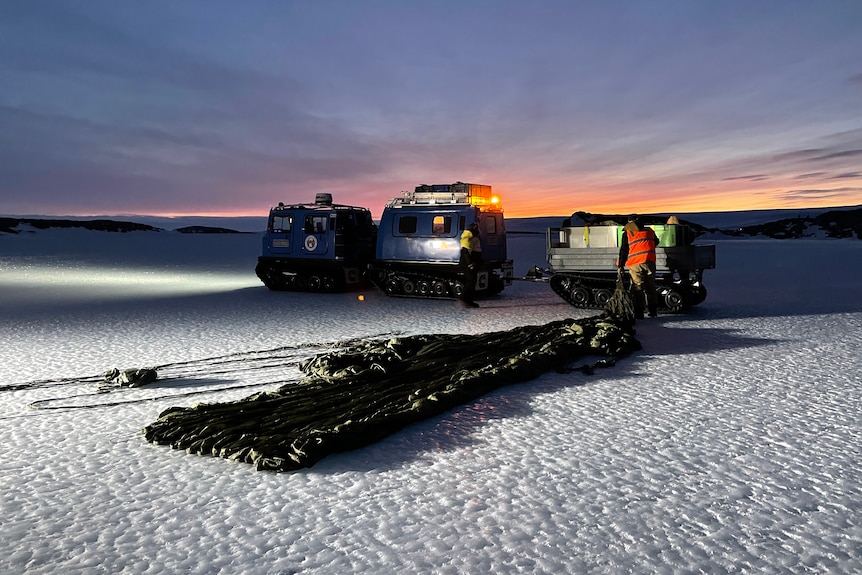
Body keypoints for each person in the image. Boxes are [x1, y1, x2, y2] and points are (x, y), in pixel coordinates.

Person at [618, 214, 659, 319]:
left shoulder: (628, 233)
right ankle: (653, 311)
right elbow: (656, 242)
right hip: (650, 262)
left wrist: (621, 265)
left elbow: (624, 250)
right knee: (650, 286)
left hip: (635, 263)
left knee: (638, 287)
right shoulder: (649, 231)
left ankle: (639, 312)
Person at [458, 222, 482, 308]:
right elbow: (465, 251)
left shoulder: (474, 237)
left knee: (472, 281)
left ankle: (469, 300)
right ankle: (465, 299)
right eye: (477, 228)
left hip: (473, 262)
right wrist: (469, 263)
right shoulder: (467, 237)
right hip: (468, 263)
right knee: (470, 280)